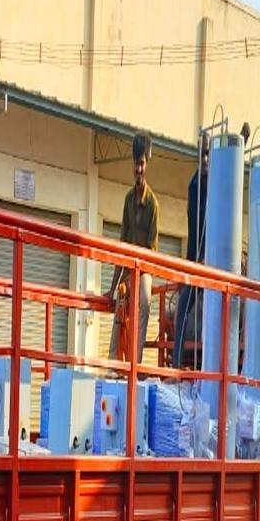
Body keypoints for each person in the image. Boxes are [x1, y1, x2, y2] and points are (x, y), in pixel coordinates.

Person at [108, 132, 159, 363]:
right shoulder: (128, 199)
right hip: (129, 269)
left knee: (144, 301)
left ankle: (134, 364)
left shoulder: (153, 204)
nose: (138, 169)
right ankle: (113, 360)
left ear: (146, 165)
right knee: (120, 298)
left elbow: (152, 250)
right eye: (135, 164)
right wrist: (113, 285)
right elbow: (122, 242)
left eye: (141, 164)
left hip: (144, 270)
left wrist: (139, 272)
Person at [173, 134, 209, 367]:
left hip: (215, 265)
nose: (205, 160)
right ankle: (176, 367)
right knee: (181, 311)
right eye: (202, 154)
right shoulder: (195, 186)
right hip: (196, 262)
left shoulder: (219, 188)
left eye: (209, 155)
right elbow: (195, 229)